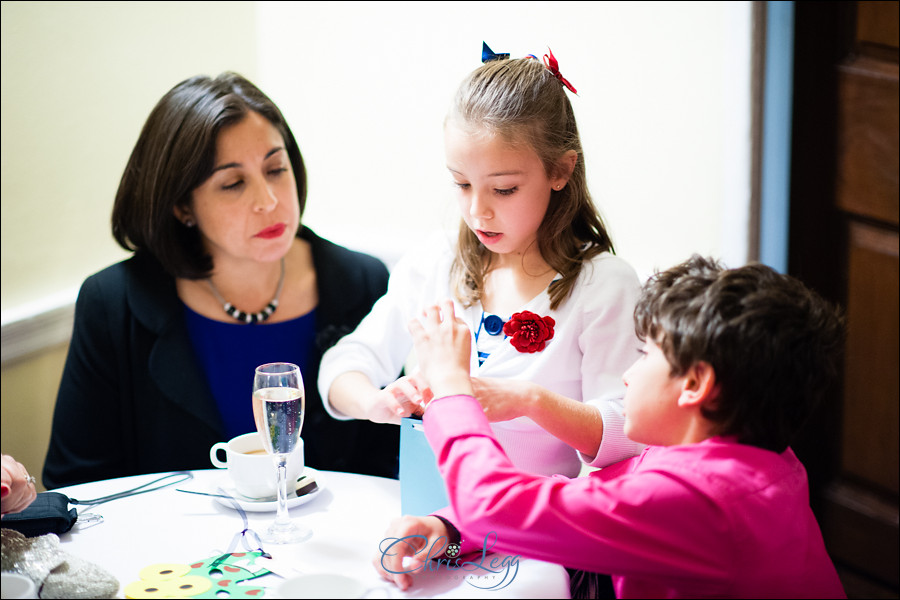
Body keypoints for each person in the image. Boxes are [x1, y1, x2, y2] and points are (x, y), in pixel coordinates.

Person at [376, 255, 847, 599]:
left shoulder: (700, 500)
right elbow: (572, 501)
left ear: (696, 384)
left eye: (646, 356)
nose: (628, 374)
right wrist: (448, 528)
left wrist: (451, 386)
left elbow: (492, 505)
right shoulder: (755, 460)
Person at [43, 72, 396, 489]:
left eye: (276, 169)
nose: (269, 201)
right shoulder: (114, 303)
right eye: (233, 183)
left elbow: (388, 465)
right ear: (181, 207)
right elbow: (78, 482)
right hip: (168, 552)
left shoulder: (361, 282)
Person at [318, 47, 644, 480]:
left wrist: (530, 400)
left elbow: (629, 431)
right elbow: (344, 365)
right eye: (461, 184)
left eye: (504, 189)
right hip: (431, 522)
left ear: (561, 170)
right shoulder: (436, 262)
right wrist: (374, 402)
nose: (477, 212)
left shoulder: (603, 286)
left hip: (535, 534)